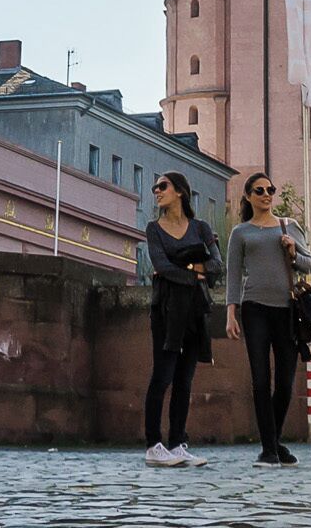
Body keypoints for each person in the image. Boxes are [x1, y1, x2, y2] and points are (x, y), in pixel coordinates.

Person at [226, 170, 311, 467]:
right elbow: (234, 275)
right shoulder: (240, 233)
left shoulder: (288, 226)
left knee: (286, 382)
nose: (267, 195)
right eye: (260, 191)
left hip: (287, 310)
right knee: (261, 379)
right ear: (249, 197)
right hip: (255, 309)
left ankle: (274, 442)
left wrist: (292, 252)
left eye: (270, 190)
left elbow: (308, 264)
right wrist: (231, 313)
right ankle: (269, 450)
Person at [142, 170, 219, 468]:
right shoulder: (154, 229)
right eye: (155, 187)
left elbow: (216, 265)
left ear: (180, 192)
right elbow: (161, 265)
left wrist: (185, 268)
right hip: (165, 310)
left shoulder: (200, 228)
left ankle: (177, 443)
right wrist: (195, 269)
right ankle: (153, 445)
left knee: (185, 380)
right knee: (162, 377)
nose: (157, 191)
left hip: (195, 310)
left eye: (163, 186)